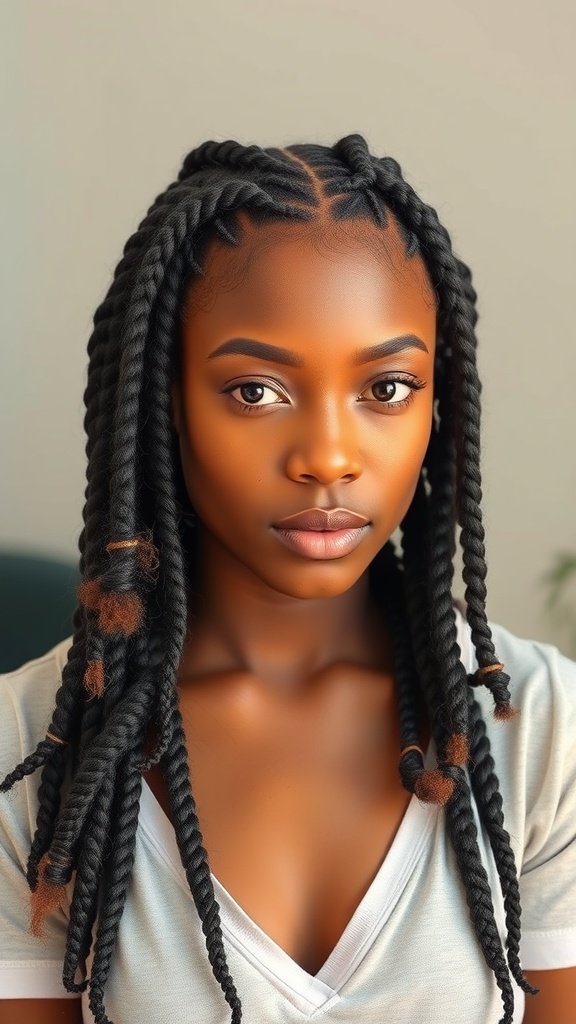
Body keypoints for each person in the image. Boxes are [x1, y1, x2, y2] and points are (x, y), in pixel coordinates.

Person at [0, 134, 575, 1024]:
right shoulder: (28, 749)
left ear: (438, 403)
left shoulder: (542, 729)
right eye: (256, 391)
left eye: (386, 388)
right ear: (163, 404)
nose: (328, 458)